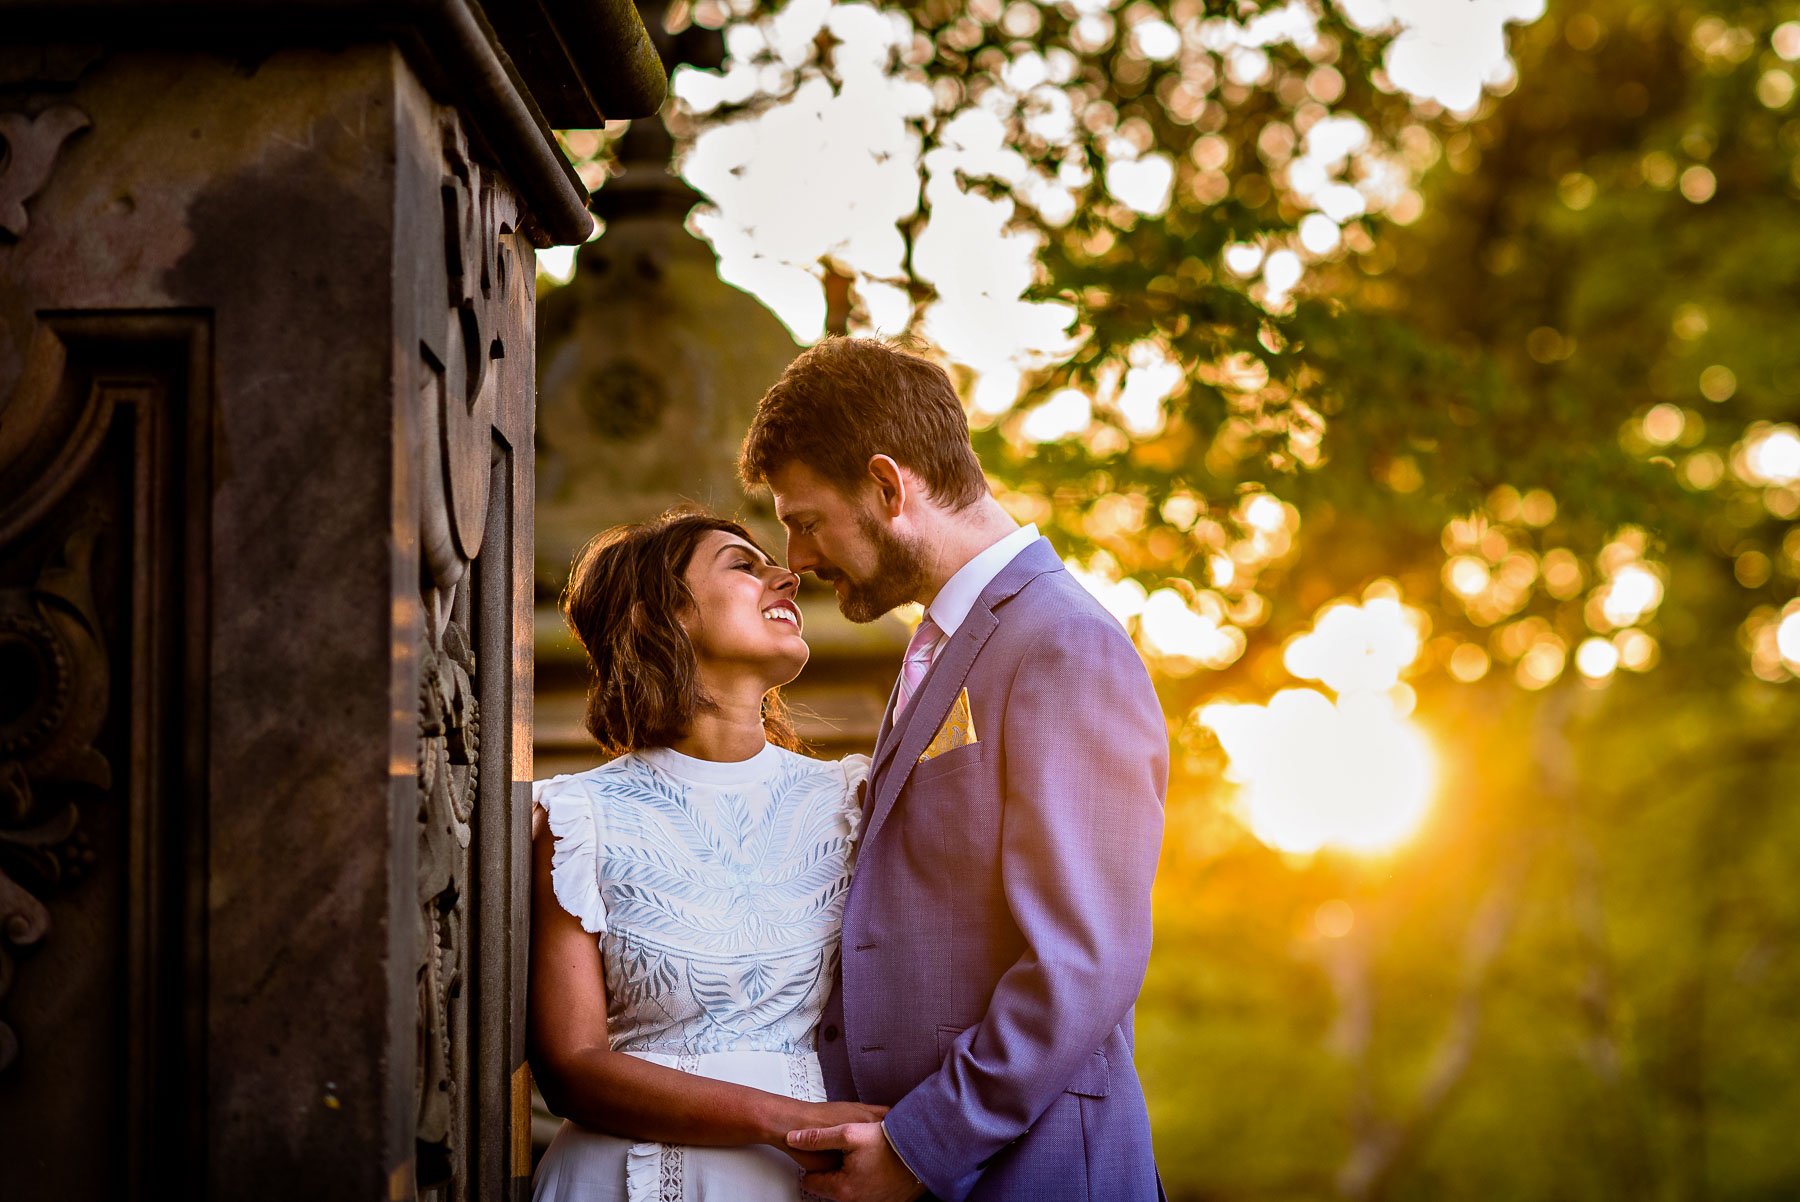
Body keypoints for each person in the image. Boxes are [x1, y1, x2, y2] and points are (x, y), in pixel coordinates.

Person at [739, 338, 1168, 1202]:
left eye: (807, 519)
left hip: (1034, 1171)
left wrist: (916, 1146)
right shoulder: (941, 642)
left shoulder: (1063, 643)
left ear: (889, 488)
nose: (800, 558)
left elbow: (1082, 961)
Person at [528, 509, 888, 1202]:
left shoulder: (853, 801)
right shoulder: (578, 818)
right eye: (743, 565)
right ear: (653, 618)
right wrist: (789, 1122)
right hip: (616, 1179)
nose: (787, 575)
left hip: (809, 1181)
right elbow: (570, 1066)